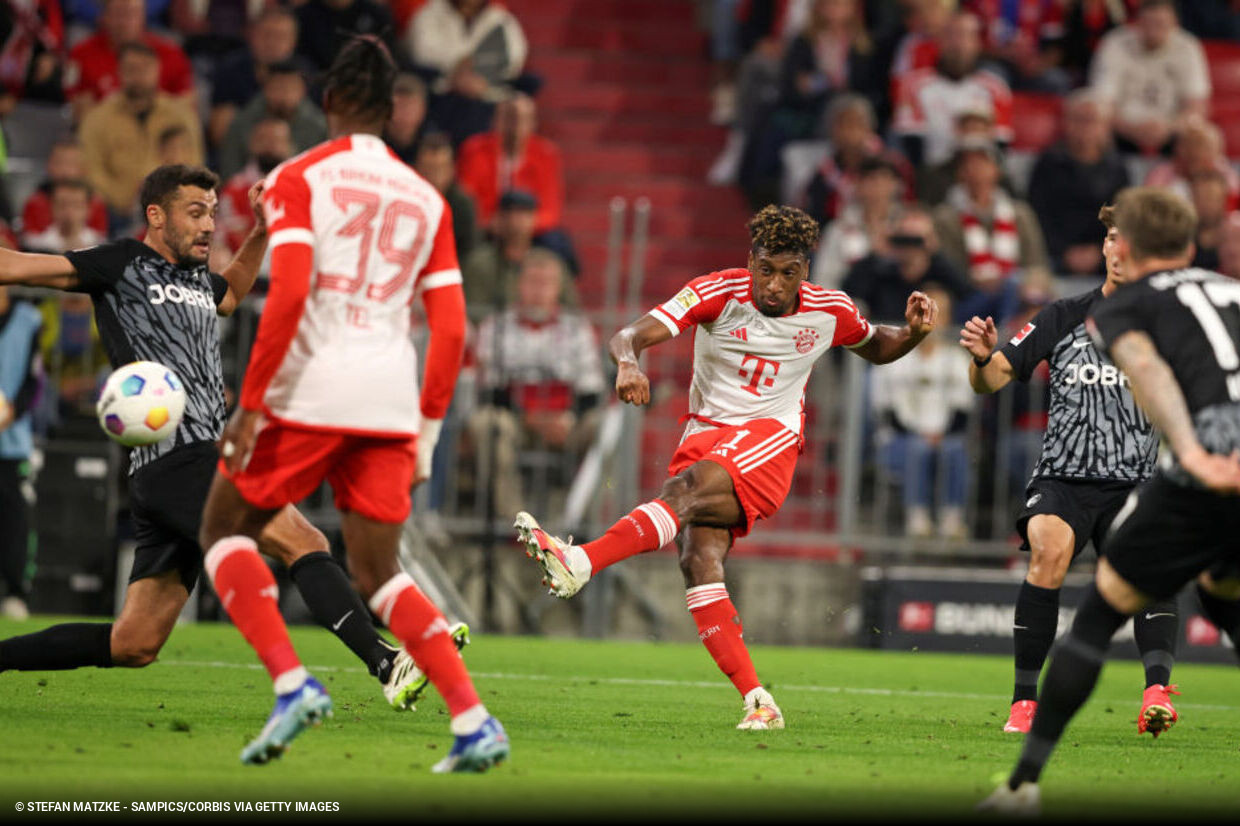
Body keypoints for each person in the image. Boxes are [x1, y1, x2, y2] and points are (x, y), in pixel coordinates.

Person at [0, 163, 448, 718]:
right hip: (179, 459)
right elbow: (16, 266)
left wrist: (259, 232)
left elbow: (232, 293)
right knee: (302, 540)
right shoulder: (118, 264)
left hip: (180, 469)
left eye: (212, 213)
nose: (209, 225)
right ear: (156, 216)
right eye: (195, 213)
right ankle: (386, 662)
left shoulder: (197, 280)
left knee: (134, 642)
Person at [196, 35, 507, 770]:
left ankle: (291, 682)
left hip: (314, 389)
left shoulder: (296, 177)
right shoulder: (428, 199)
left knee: (220, 528)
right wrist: (427, 431)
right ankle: (474, 723)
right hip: (392, 401)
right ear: (394, 110)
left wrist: (250, 404)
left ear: (328, 102)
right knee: (382, 573)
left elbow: (293, 291)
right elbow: (453, 326)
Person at [515, 204, 938, 730]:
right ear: (750, 261)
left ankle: (581, 562)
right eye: (766, 269)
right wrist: (628, 363)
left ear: (805, 270)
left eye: (789, 272)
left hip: (769, 440)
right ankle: (759, 700)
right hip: (707, 434)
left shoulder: (831, 309)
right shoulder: (716, 292)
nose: (776, 285)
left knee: (684, 491)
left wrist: (916, 333)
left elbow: (877, 346)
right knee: (698, 560)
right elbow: (629, 335)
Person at [980, 186, 1240, 815]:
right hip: (1081, 479)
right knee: (1221, 592)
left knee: (1100, 615)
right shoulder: (1228, 290)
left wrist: (1191, 449)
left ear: (1131, 246)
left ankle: (1022, 787)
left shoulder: (1127, 309)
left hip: (1206, 473)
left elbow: (1149, 376)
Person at [959, 203, 1179, 737]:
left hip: (1136, 482)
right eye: (1112, 239)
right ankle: (1024, 703)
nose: (1119, 250)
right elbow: (991, 381)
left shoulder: (1168, 323)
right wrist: (984, 359)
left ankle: (1157, 692)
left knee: (1148, 569)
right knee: (1049, 550)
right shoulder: (1063, 315)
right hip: (1063, 478)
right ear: (1104, 247)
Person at [467, 249, 604, 518]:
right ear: (519, 285)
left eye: (546, 283)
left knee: (604, 426)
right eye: (532, 282)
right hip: (516, 420)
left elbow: (591, 390)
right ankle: (516, 524)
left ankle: (579, 520)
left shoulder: (577, 328)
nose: (538, 291)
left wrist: (568, 417)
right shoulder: (495, 326)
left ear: (558, 288)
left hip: (565, 421)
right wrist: (529, 417)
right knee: (486, 423)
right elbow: (488, 390)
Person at [873, 287, 973, 539]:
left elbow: (962, 411)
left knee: (955, 449)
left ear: (949, 319)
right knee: (916, 448)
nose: (932, 321)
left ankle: (952, 520)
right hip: (901, 437)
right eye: (925, 312)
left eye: (939, 314)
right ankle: (917, 519)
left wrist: (938, 435)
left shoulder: (957, 358)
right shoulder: (894, 354)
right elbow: (887, 411)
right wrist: (920, 435)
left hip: (946, 436)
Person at [78, 41, 203, 224]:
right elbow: (90, 170)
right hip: (116, 213)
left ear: (158, 71)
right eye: (131, 69)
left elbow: (195, 164)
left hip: (173, 210)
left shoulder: (181, 115)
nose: (138, 76)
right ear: (119, 72)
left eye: (145, 69)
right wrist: (124, 200)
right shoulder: (97, 118)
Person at [1026, 88, 1129, 277]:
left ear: (1105, 127)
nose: (1085, 127)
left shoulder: (1117, 169)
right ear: (1066, 123)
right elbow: (1037, 215)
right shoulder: (1048, 164)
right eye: (1078, 119)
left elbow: (1121, 218)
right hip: (1053, 253)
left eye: (1091, 120)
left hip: (1103, 254)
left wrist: (1098, 251)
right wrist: (1064, 252)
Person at [891, 9, 1013, 168]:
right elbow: (912, 144)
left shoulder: (996, 88)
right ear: (939, 41)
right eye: (951, 35)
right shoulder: (913, 86)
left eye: (965, 36)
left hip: (981, 177)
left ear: (977, 44)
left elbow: (1000, 145)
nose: (958, 44)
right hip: (932, 175)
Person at [1088, 0, 1209, 156]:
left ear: (1174, 23)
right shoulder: (1114, 43)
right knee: (1093, 125)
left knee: (1200, 133)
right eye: (1147, 23)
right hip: (1121, 128)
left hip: (1171, 130)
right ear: (1137, 22)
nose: (1153, 31)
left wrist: (1169, 128)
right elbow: (1103, 102)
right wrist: (1130, 128)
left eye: (1160, 24)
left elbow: (1196, 107)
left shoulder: (1188, 47)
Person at [63, 0, 195, 120]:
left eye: (132, 13)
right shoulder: (81, 54)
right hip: (102, 135)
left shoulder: (171, 54)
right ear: (104, 17)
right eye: (119, 14)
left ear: (143, 16)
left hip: (158, 134)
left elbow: (186, 105)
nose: (125, 22)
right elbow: (74, 101)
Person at [0, 284, 42, 621]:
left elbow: (35, 379)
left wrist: (13, 411)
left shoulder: (28, 319)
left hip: (10, 440)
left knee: (14, 520)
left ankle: (15, 592)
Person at [216, 59, 327, 181]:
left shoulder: (319, 126)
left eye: (291, 88)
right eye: (277, 88)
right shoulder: (243, 122)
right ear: (265, 88)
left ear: (303, 91)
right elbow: (229, 172)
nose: (284, 96)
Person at [19, 140, 110, 241]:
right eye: (59, 163)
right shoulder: (35, 203)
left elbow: (101, 241)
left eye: (72, 163)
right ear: (49, 165)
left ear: (84, 168)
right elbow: (29, 242)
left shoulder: (97, 204)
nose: (65, 170)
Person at [22, 180, 106, 254]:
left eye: (76, 206)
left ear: (88, 209)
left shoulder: (101, 245)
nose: (69, 212)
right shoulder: (35, 245)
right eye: (62, 205)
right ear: (52, 207)